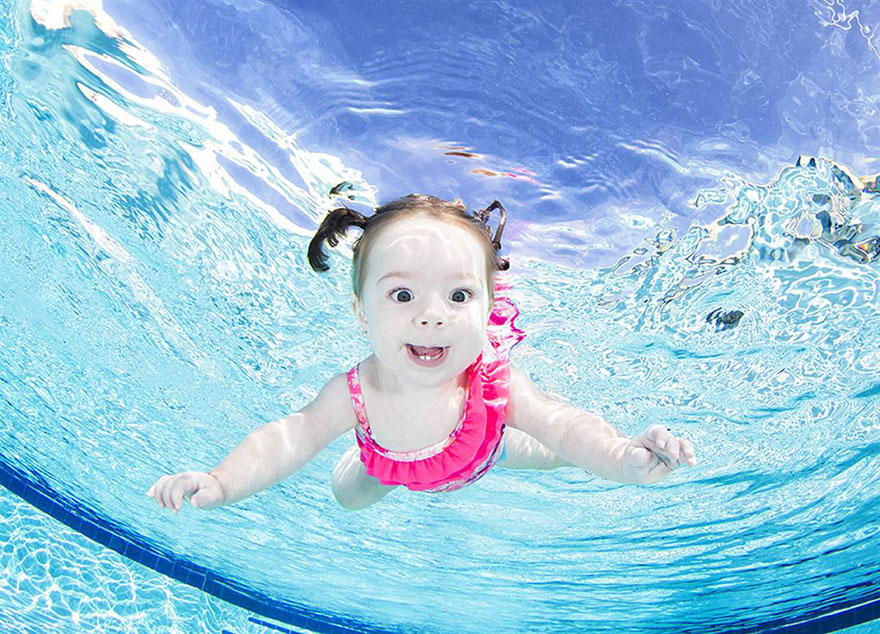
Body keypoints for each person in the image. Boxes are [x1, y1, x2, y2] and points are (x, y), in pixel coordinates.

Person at [147, 194, 697, 513]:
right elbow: (288, 438)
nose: (431, 316)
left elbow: (565, 424)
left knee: (556, 449)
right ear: (362, 312)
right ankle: (374, 470)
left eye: (458, 296)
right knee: (347, 497)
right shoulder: (353, 393)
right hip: (384, 463)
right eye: (403, 295)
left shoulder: (493, 384)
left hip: (484, 452)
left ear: (488, 309)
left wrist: (622, 458)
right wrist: (222, 481)